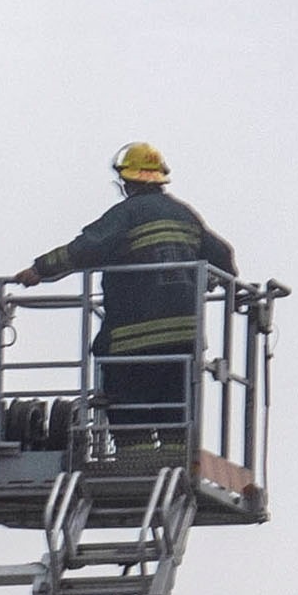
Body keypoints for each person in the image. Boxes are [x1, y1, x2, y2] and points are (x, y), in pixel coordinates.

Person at [28, 142, 235, 442]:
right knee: (174, 417)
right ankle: (173, 465)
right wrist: (205, 282)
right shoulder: (185, 215)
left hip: (133, 342)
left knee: (129, 417)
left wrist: (39, 270)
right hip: (183, 342)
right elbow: (224, 258)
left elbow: (86, 248)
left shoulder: (126, 214)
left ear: (127, 182)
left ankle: (134, 463)